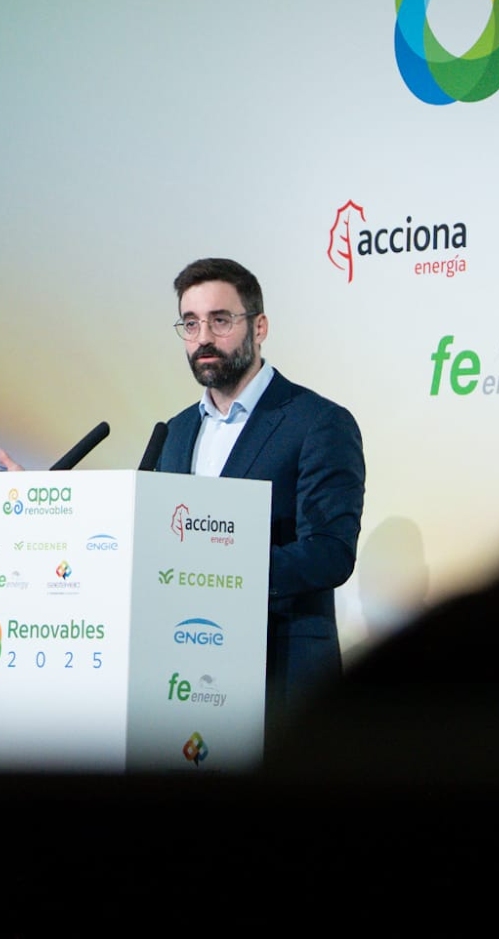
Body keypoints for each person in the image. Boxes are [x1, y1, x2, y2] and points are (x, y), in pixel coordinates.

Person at [155, 257, 365, 729]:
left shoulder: (319, 422)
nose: (203, 337)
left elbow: (330, 553)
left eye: (220, 320)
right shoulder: (175, 431)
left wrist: (221, 572)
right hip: (183, 676)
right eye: (191, 323)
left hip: (282, 679)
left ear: (260, 326)